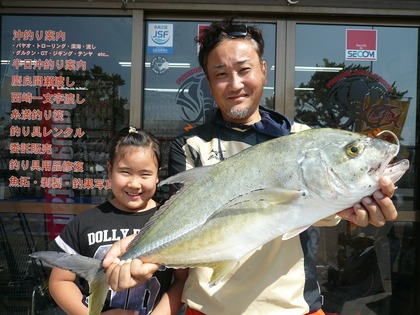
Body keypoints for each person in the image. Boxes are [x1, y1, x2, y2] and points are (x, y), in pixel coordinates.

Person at [103, 17, 397, 315]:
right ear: (209, 82)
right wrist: (140, 250)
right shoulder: (190, 146)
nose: (235, 84)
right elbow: (184, 223)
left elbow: (319, 208)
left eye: (245, 70)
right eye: (221, 74)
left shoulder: (302, 139)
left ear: (264, 70)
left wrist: (355, 207)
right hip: (208, 308)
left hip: (292, 308)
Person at [48, 127, 187, 315]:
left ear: (157, 176)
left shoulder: (171, 223)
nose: (134, 184)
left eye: (145, 174)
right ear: (109, 170)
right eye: (125, 172)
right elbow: (60, 281)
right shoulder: (84, 222)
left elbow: (182, 280)